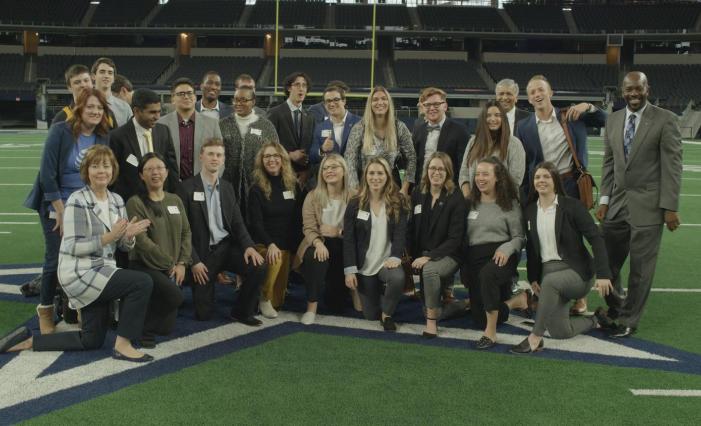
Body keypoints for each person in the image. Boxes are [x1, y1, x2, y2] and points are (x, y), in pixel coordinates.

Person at [2, 145, 154, 362]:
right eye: (95, 166)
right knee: (142, 282)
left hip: (103, 271)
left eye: (106, 166)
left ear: (113, 170)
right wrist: (111, 236)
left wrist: (128, 236)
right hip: (80, 272)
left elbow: (122, 247)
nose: (102, 171)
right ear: (86, 171)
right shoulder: (77, 200)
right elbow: (73, 246)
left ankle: (29, 341)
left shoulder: (117, 201)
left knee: (90, 340)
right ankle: (123, 344)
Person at [595, 71, 683, 338]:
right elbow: (609, 163)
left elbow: (673, 166)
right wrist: (604, 199)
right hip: (618, 202)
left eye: (638, 89)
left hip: (649, 204)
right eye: (628, 90)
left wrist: (670, 207)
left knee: (640, 269)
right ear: (622, 91)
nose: (633, 94)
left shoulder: (665, 119)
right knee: (607, 262)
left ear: (647, 89)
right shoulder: (613, 119)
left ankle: (629, 320)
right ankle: (618, 307)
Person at [23, 89, 112, 335]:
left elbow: (103, 171)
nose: (95, 112)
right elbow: (47, 175)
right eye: (90, 107)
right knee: (55, 260)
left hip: (87, 205)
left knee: (86, 256)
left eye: (100, 108)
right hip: (56, 203)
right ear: (79, 109)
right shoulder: (60, 131)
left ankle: (78, 308)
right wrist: (61, 211)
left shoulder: (103, 136)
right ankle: (46, 309)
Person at [511, 162, 613, 353]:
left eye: (546, 177)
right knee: (560, 332)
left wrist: (603, 274)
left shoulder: (572, 206)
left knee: (550, 282)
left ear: (555, 181)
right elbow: (533, 248)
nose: (541, 181)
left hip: (578, 273)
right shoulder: (530, 211)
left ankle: (535, 338)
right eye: (537, 177)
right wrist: (533, 277)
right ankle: (595, 320)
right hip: (550, 275)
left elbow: (596, 238)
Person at [179, 138, 267, 324]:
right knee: (203, 314)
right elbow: (181, 232)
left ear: (223, 159)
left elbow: (237, 222)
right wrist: (193, 261)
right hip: (202, 254)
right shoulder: (186, 188)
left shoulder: (227, 187)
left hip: (225, 248)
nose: (214, 158)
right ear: (201, 156)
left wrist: (249, 247)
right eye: (210, 154)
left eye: (219, 155)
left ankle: (241, 312)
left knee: (258, 266)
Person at [126, 153, 191, 348]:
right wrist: (169, 263)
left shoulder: (175, 200)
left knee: (166, 328)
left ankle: (147, 317)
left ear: (167, 172)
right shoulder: (135, 203)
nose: (156, 173)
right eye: (149, 169)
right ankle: (141, 329)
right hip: (144, 265)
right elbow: (141, 241)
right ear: (141, 175)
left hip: (170, 267)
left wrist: (181, 263)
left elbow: (186, 232)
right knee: (177, 296)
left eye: (160, 168)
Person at [464, 157, 528, 349]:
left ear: (498, 177)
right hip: (475, 257)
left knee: (488, 275)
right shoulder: (470, 203)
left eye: (486, 174)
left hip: (500, 255)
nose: (480, 178)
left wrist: (506, 248)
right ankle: (516, 301)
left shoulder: (509, 204)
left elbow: (519, 237)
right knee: (477, 318)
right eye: (477, 174)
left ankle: (490, 334)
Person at [343, 157, 409, 331]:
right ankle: (381, 296)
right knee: (370, 315)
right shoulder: (355, 204)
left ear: (387, 176)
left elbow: (400, 233)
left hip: (387, 262)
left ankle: (387, 315)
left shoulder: (397, 202)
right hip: (365, 265)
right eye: (371, 173)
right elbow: (348, 239)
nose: (375, 177)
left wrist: (396, 255)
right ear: (365, 176)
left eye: (380, 173)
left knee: (397, 277)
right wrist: (350, 270)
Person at [516, 74, 606, 200]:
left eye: (541, 90)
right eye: (532, 92)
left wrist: (588, 106)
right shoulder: (522, 127)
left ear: (551, 93)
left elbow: (606, 120)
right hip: (541, 188)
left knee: (571, 220)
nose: (537, 94)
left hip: (571, 186)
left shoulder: (571, 116)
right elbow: (523, 165)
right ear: (529, 99)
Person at [409, 152, 466, 338]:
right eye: (433, 168)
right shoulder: (418, 192)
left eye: (441, 169)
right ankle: (455, 304)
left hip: (449, 254)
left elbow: (455, 239)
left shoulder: (455, 196)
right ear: (427, 170)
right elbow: (412, 227)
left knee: (430, 271)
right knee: (430, 306)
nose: (436, 172)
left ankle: (431, 323)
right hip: (424, 253)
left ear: (448, 172)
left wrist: (429, 257)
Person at [296, 154, 354, 324]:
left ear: (344, 171)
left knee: (336, 305)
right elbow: (308, 227)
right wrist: (318, 242)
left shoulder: (355, 197)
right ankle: (311, 307)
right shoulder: (312, 196)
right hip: (316, 244)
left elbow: (359, 230)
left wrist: (338, 232)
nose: (329, 171)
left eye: (334, 167)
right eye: (325, 168)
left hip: (343, 248)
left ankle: (345, 291)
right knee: (315, 257)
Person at [248, 141, 303, 318]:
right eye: (267, 156)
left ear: (282, 159)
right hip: (265, 244)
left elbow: (297, 220)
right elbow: (256, 224)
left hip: (286, 246)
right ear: (261, 161)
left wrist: (296, 250)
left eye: (276, 155)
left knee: (278, 302)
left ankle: (267, 294)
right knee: (275, 257)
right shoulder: (256, 189)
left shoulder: (293, 185)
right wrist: (270, 244)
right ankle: (262, 298)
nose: (272, 160)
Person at [110, 88, 179, 203]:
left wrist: (172, 197)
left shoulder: (164, 131)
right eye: (152, 112)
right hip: (129, 202)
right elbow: (113, 175)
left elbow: (172, 169)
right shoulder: (118, 136)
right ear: (136, 111)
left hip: (161, 200)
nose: (157, 117)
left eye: (159, 112)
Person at [344, 86, 417, 194]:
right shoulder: (359, 128)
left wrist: (405, 188)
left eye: (384, 98)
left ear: (389, 102)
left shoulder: (400, 127)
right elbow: (350, 158)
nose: (380, 102)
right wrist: (354, 189)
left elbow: (411, 157)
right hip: (366, 185)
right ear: (370, 104)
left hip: (393, 186)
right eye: (375, 99)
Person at [220, 84, 279, 210]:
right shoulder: (222, 124)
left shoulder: (266, 126)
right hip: (228, 185)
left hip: (258, 185)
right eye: (236, 99)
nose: (238, 103)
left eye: (244, 100)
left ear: (253, 102)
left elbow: (276, 155)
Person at [158, 78, 223, 181]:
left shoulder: (212, 124)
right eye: (181, 94)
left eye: (189, 93)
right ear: (172, 99)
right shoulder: (161, 124)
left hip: (204, 183)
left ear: (195, 97)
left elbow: (221, 156)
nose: (186, 97)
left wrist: (213, 180)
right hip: (172, 185)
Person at [459, 100, 525, 199]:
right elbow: (464, 173)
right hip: (474, 202)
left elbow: (515, 180)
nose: (493, 119)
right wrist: (469, 198)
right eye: (488, 115)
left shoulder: (514, 144)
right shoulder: (473, 141)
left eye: (497, 115)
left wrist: (489, 202)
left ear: (503, 118)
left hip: (504, 202)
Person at [267, 71, 315, 187]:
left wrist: (306, 172)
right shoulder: (275, 113)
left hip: (303, 179)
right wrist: (289, 155)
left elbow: (310, 147)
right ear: (289, 88)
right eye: (297, 85)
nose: (301, 88)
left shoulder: (310, 117)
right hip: (280, 174)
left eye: (304, 85)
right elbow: (268, 145)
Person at [412, 87, 468, 186]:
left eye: (436, 104)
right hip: (421, 188)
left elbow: (463, 166)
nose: (432, 108)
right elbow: (415, 163)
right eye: (427, 105)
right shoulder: (418, 129)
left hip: (448, 189)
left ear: (445, 106)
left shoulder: (459, 130)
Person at [308, 84, 361, 187]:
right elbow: (312, 156)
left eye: (336, 99)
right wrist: (322, 149)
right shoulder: (320, 127)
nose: (332, 104)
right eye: (328, 101)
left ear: (344, 101)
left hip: (355, 181)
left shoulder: (359, 123)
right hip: (331, 183)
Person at [51, 64, 115, 128]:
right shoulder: (62, 117)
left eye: (86, 80)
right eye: (77, 82)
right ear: (69, 88)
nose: (83, 85)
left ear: (92, 83)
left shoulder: (107, 113)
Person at [91, 57, 132, 127]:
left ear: (113, 78)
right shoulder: (84, 104)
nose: (106, 76)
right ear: (93, 76)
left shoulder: (125, 108)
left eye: (110, 73)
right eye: (102, 72)